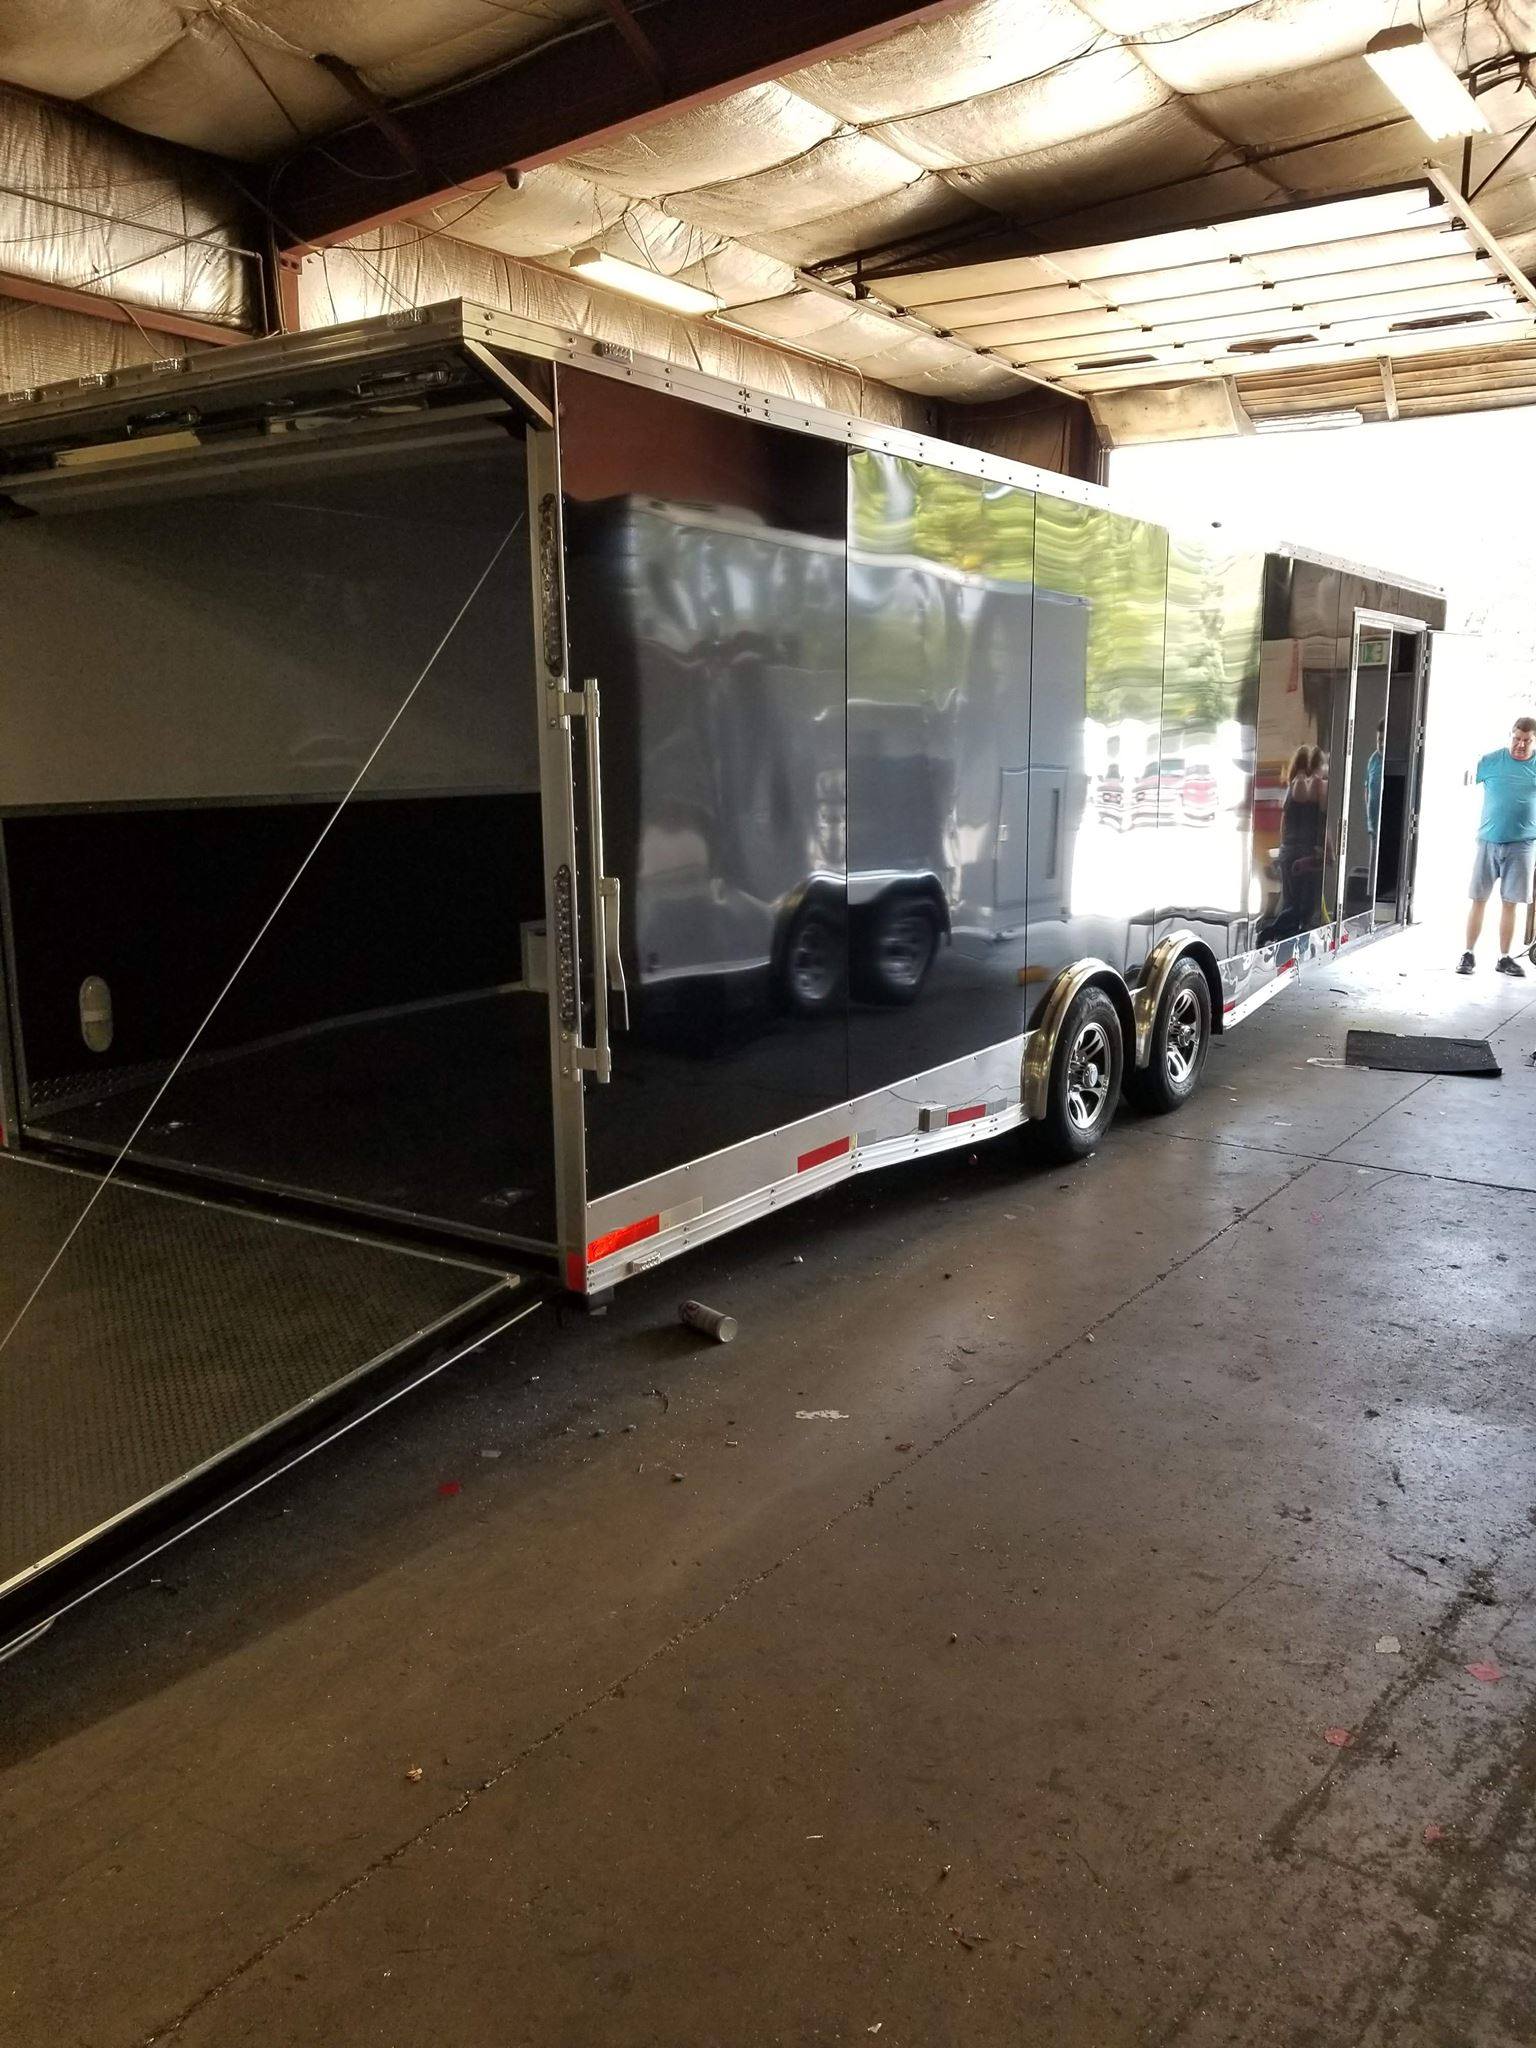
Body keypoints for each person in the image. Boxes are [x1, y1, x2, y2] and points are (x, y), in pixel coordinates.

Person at [1458, 715, 1536, 976]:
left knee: (1510, 903)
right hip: (1488, 842)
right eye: (1517, 738)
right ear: (1510, 736)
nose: (1521, 744)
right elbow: (1465, 776)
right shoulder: (1491, 761)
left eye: (1527, 740)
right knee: (1478, 899)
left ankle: (1504, 958)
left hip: (1522, 846)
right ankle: (1468, 954)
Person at [1276, 743, 1325, 935]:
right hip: (1306, 853)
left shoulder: (1291, 787)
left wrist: (1282, 848)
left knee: (1290, 902)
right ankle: (1289, 935)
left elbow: (1283, 824)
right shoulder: (1314, 787)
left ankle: (1281, 935)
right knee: (1306, 907)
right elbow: (1321, 822)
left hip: (1288, 850)